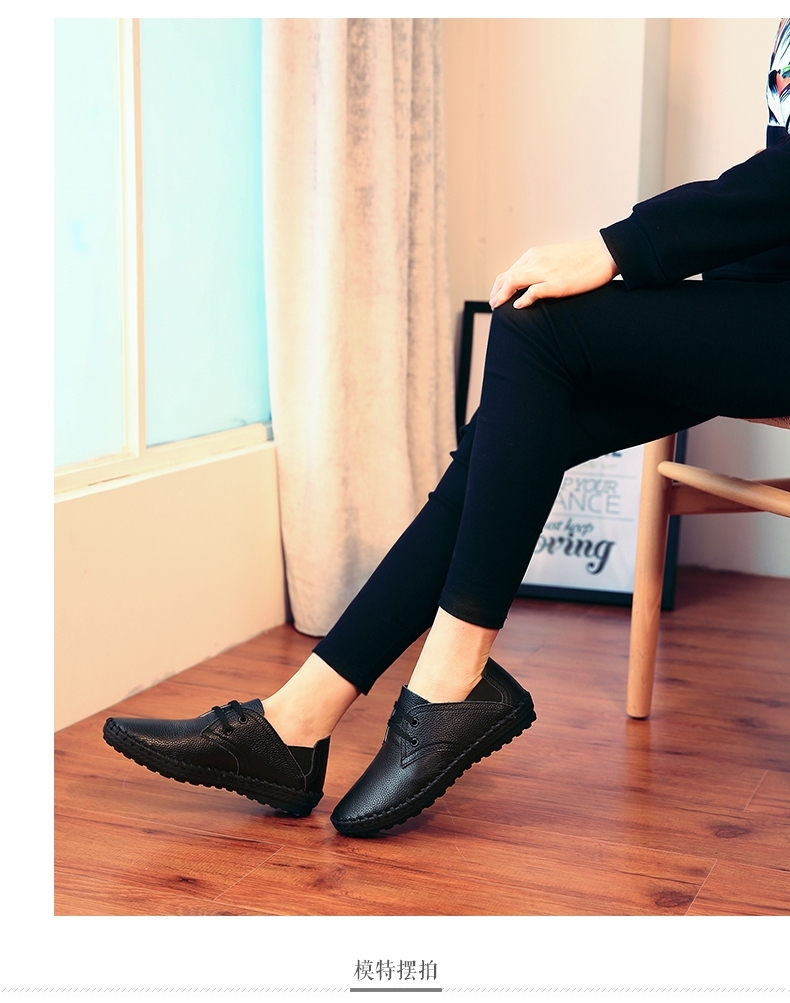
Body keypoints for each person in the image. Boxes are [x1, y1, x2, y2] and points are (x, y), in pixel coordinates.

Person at [103, 21, 790, 837]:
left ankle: (446, 685)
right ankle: (297, 719)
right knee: (519, 413)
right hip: (761, 294)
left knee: (539, 331)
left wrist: (620, 249)